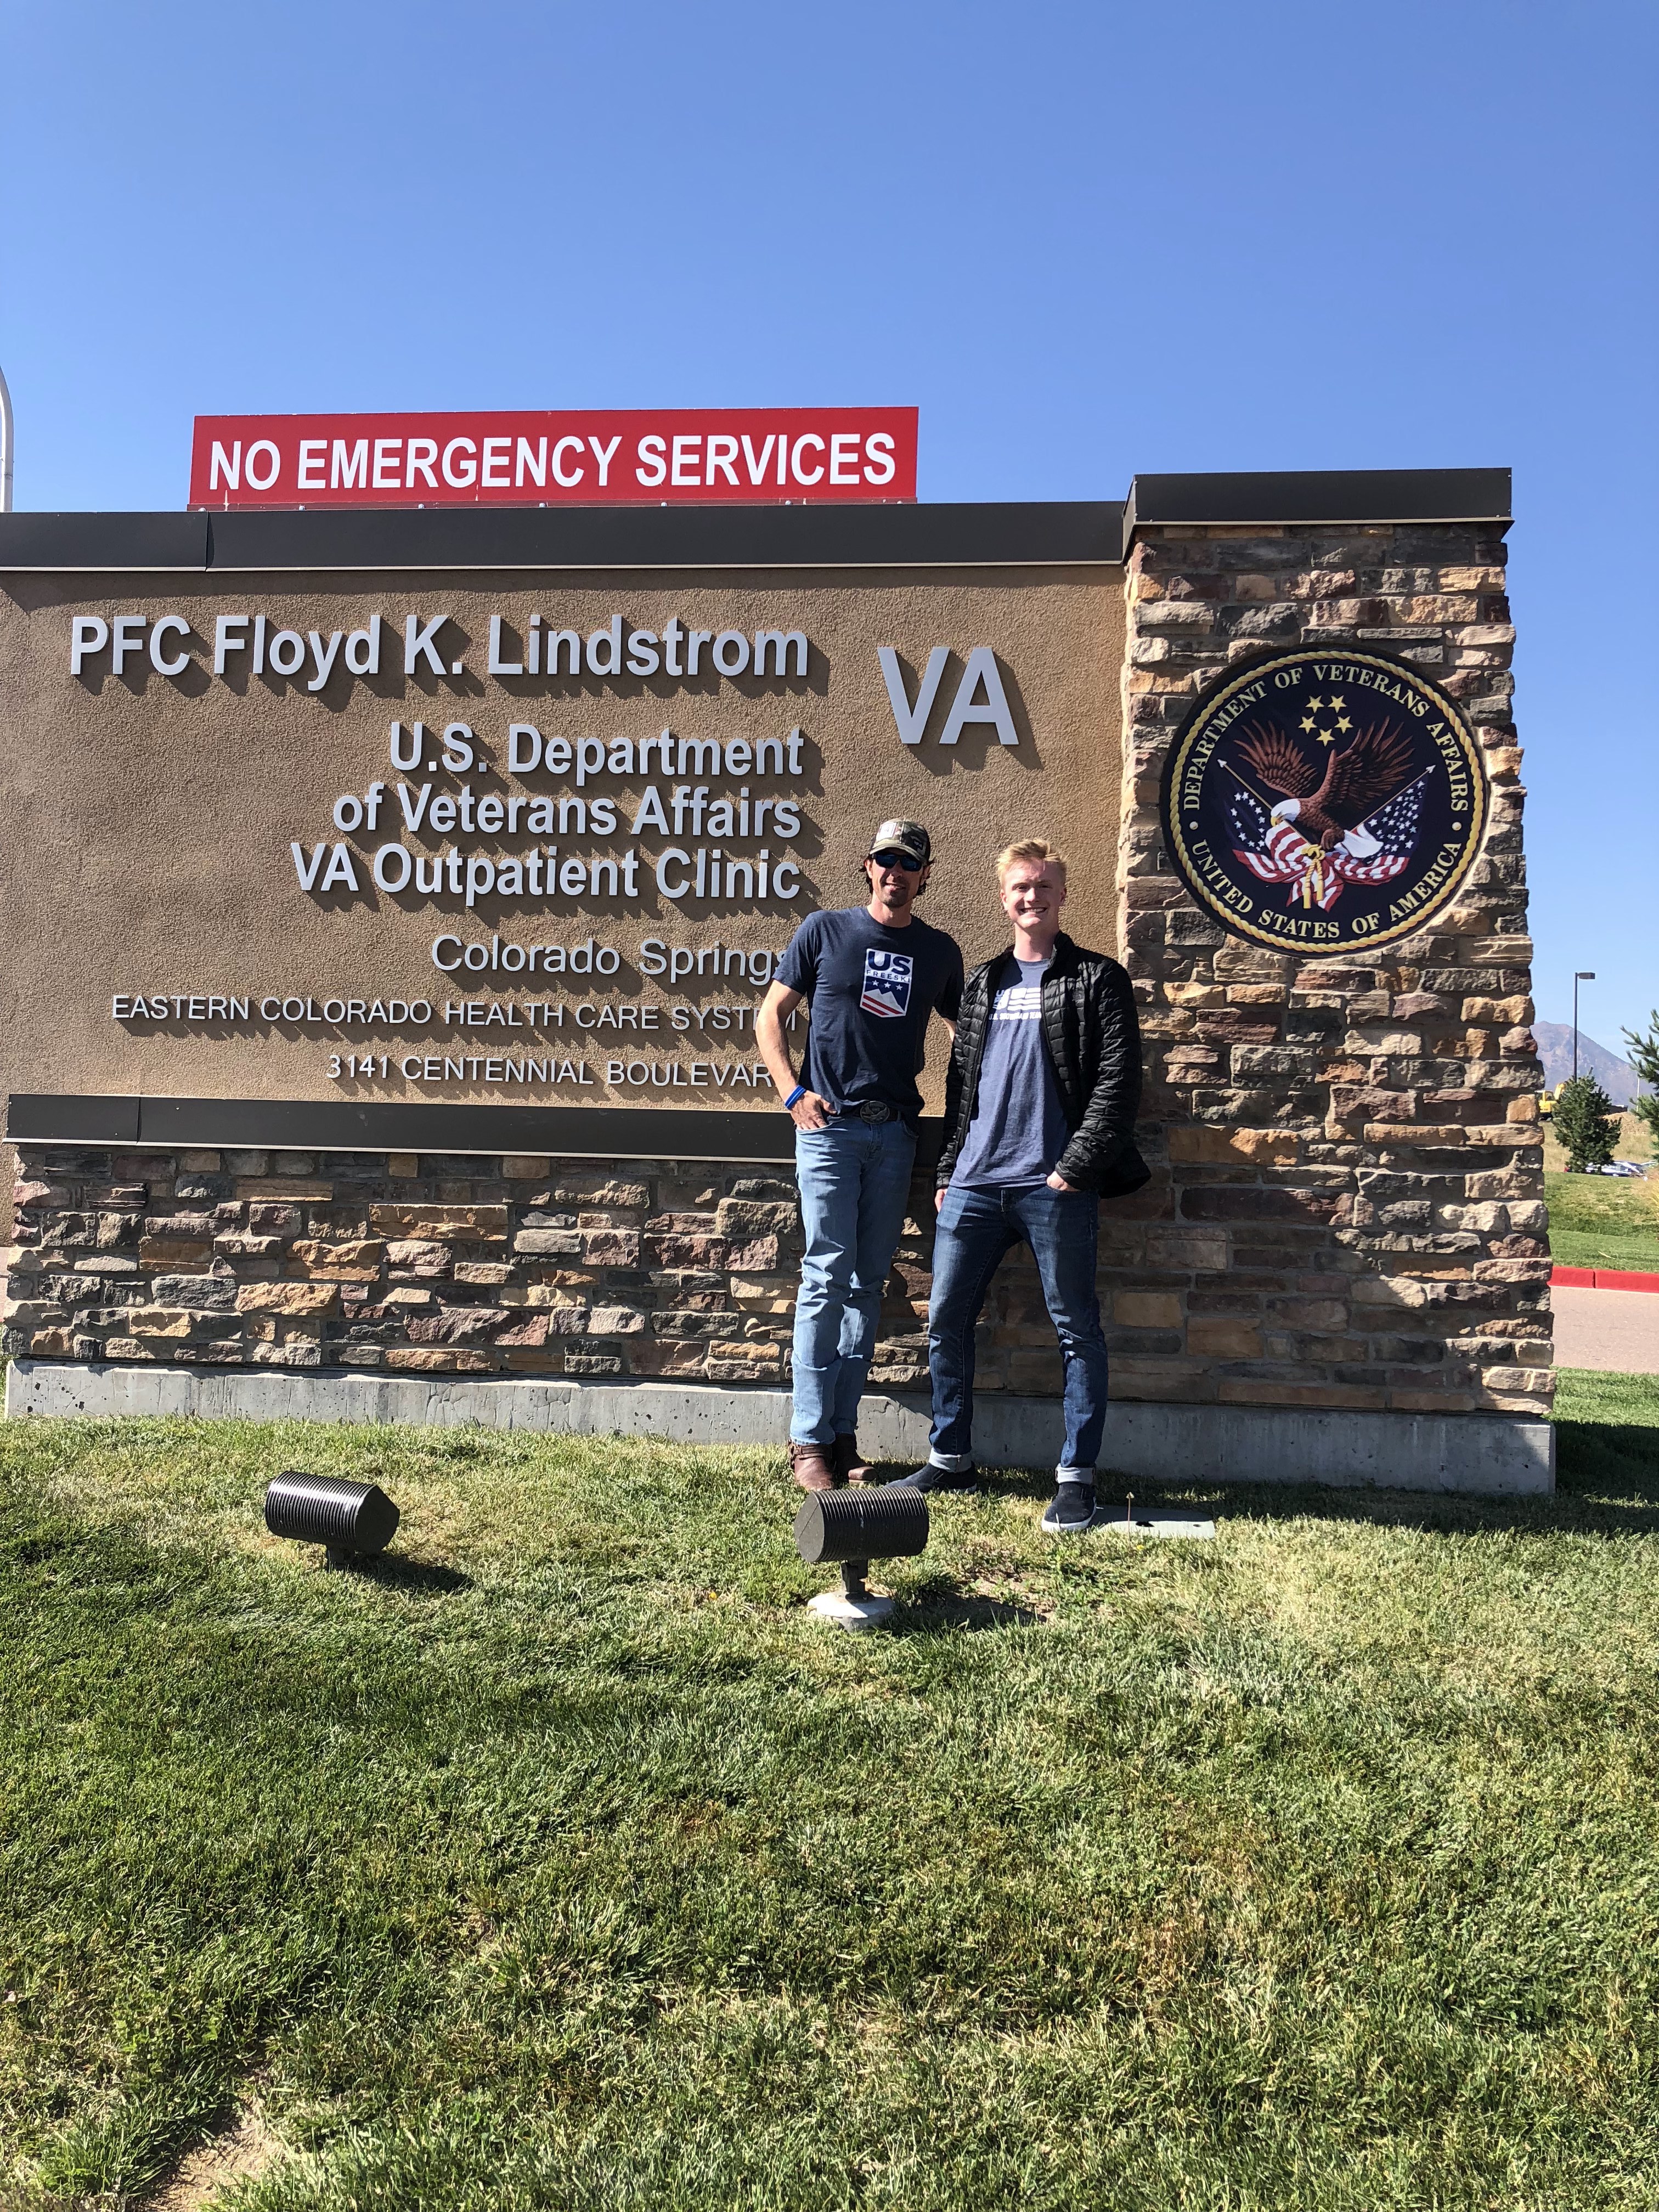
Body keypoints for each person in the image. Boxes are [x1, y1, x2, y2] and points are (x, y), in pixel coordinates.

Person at [889, 839, 1147, 1532]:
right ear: (1005, 900)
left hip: (1053, 1187)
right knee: (946, 1322)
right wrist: (949, 1172)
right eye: (1020, 888)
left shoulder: (1097, 980)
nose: (1031, 897)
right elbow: (960, 1086)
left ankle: (1076, 1476)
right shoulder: (983, 983)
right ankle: (951, 1457)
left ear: (1062, 895)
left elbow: (1118, 1087)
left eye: (1042, 886)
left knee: (1076, 1330)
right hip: (975, 1185)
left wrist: (1073, 1170)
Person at [757, 819, 964, 1492]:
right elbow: (770, 1015)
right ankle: (808, 1440)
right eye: (885, 861)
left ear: (925, 875)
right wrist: (792, 1094)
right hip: (830, 1130)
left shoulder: (939, 951)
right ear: (868, 867)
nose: (895, 873)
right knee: (825, 1277)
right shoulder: (824, 931)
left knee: (866, 1286)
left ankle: (842, 1435)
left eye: (909, 863)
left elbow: (967, 1037)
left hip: (896, 1135)